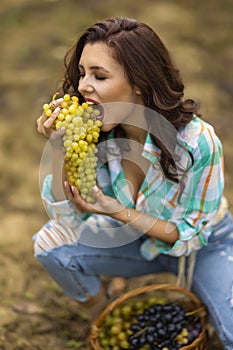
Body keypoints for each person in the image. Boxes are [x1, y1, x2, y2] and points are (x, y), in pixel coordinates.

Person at [36, 17, 233, 349]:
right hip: (137, 241)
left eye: (99, 75)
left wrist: (116, 211)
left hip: (205, 246)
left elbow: (193, 233)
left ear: (140, 82)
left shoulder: (198, 141)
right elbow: (67, 218)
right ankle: (107, 314)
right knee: (51, 246)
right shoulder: (94, 134)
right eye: (82, 73)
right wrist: (59, 149)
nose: (83, 86)